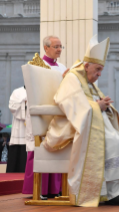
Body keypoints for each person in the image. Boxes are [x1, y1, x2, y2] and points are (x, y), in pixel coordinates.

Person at [42, 35, 119, 207]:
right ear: (86, 65)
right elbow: (69, 103)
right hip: (70, 126)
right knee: (113, 142)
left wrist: (105, 106)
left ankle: (110, 192)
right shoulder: (72, 78)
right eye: (97, 70)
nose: (98, 75)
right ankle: (108, 193)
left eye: (101, 71)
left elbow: (92, 103)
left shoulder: (88, 81)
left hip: (91, 123)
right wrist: (98, 106)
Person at [23, 35, 68, 198]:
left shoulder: (63, 67)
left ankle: (56, 188)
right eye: (56, 46)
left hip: (58, 113)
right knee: (39, 148)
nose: (59, 49)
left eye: (61, 46)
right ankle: (39, 189)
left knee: (58, 147)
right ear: (46, 48)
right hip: (42, 112)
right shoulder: (36, 66)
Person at [6, 87, 27, 172]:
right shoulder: (17, 92)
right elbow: (12, 106)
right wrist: (25, 103)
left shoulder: (37, 91)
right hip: (19, 132)